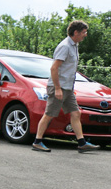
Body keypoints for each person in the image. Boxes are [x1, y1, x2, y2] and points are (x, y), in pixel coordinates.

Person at [32, 20, 99, 153]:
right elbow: (54, 68)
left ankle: (82, 143)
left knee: (76, 113)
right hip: (58, 87)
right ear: (76, 32)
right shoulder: (65, 46)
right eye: (84, 32)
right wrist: (57, 88)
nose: (85, 35)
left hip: (68, 88)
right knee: (49, 114)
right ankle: (37, 142)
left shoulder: (74, 45)